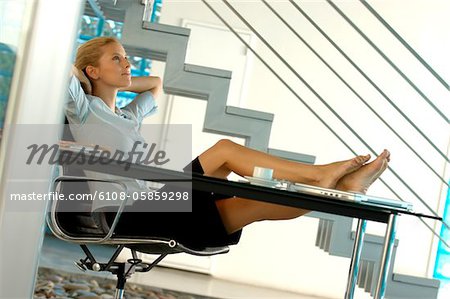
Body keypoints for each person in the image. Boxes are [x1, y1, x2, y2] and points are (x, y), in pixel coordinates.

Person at [66, 36, 390, 250]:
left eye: (126, 59)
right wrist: (85, 79)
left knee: (241, 187)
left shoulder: (126, 115)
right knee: (229, 162)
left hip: (154, 201)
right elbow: (62, 72)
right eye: (117, 59)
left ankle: (343, 188)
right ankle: (325, 178)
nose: (127, 65)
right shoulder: (83, 111)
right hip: (126, 211)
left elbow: (155, 84)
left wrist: (112, 79)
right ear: (92, 69)